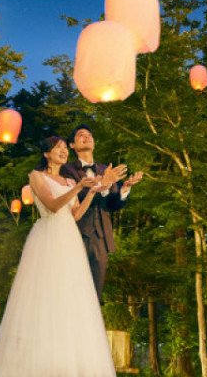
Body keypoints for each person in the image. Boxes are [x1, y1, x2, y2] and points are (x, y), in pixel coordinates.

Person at [0, 136, 122, 377]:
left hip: (70, 240)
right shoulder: (37, 176)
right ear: (46, 153)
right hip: (48, 237)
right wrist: (79, 187)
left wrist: (92, 192)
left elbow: (75, 214)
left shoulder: (68, 179)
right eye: (58, 148)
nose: (63, 152)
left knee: (71, 297)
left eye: (65, 149)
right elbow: (53, 205)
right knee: (44, 297)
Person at [61, 124, 143, 304]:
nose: (86, 137)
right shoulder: (66, 170)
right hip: (76, 232)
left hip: (101, 237)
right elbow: (74, 197)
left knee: (95, 291)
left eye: (89, 135)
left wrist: (124, 189)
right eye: (81, 135)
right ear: (72, 145)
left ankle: (92, 329)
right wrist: (101, 185)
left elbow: (112, 205)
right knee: (73, 287)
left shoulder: (107, 170)